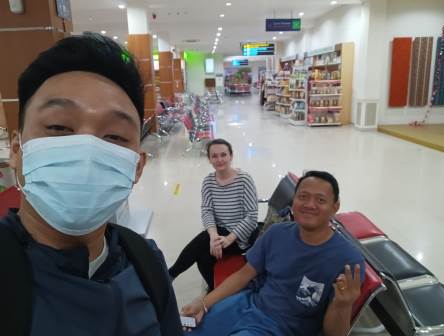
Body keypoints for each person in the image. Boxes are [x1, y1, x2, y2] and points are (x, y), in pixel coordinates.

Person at [0, 33, 182, 335]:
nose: (86, 152)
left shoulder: (145, 261)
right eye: (59, 127)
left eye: (114, 136)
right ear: (17, 150)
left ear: (137, 167)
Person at [182, 171, 365, 336]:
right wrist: (204, 303)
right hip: (248, 304)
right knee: (188, 328)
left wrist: (343, 305)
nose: (310, 205)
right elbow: (243, 275)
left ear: (335, 206)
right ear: (293, 201)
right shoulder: (277, 233)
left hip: (281, 328)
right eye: (303, 196)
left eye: (320, 200)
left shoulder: (348, 262)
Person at [169, 139, 258, 290]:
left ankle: (170, 274)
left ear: (231, 156)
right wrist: (213, 237)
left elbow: (252, 216)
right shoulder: (208, 182)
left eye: (223, 155)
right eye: (214, 156)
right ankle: (214, 289)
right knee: (203, 255)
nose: (219, 159)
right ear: (209, 159)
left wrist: (229, 238)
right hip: (218, 233)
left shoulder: (244, 180)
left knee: (201, 244)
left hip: (240, 237)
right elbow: (207, 211)